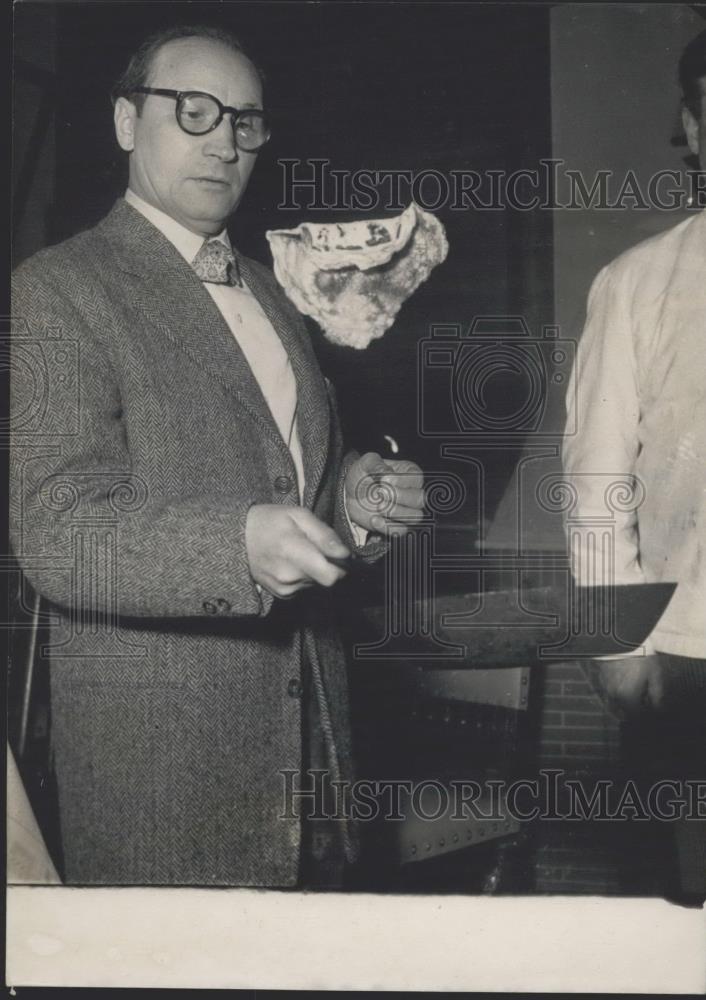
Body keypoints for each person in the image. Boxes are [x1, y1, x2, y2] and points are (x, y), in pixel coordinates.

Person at [10, 23, 424, 887]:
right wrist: (238, 544)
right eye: (192, 111)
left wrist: (358, 498)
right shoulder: (58, 288)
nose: (223, 141)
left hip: (315, 762)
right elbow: (58, 533)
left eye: (244, 121)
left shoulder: (273, 291)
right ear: (128, 122)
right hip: (165, 778)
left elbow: (296, 479)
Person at [562, 28, 706, 902]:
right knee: (677, 924)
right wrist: (620, 651)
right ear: (695, 128)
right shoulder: (638, 284)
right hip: (690, 664)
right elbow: (594, 480)